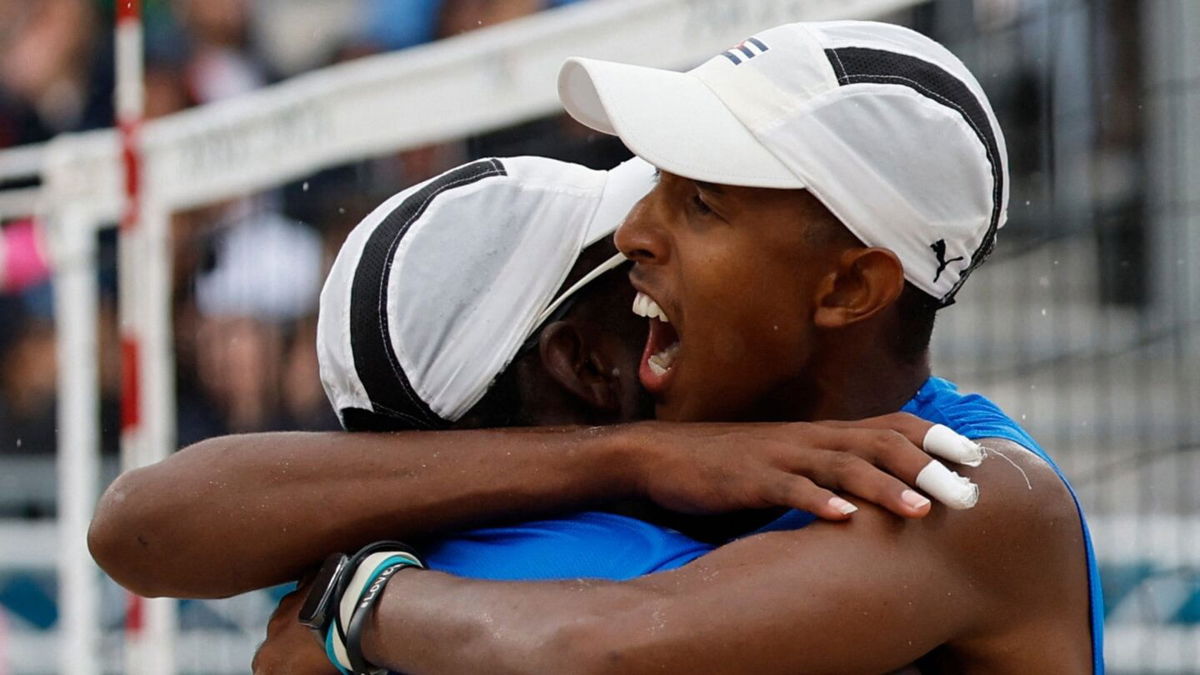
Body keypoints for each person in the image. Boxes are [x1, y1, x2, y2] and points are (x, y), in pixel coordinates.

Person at [258, 20, 1103, 675]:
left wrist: (354, 608)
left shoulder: (981, 497)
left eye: (700, 203)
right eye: (654, 182)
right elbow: (143, 520)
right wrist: (631, 453)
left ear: (847, 289)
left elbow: (600, 649)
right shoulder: (694, 463)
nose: (634, 230)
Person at [88, 156, 964, 599]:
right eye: (630, 255)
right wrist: (624, 456)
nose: (654, 247)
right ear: (584, 364)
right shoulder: (632, 574)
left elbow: (141, 526)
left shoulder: (395, 569)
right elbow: (136, 523)